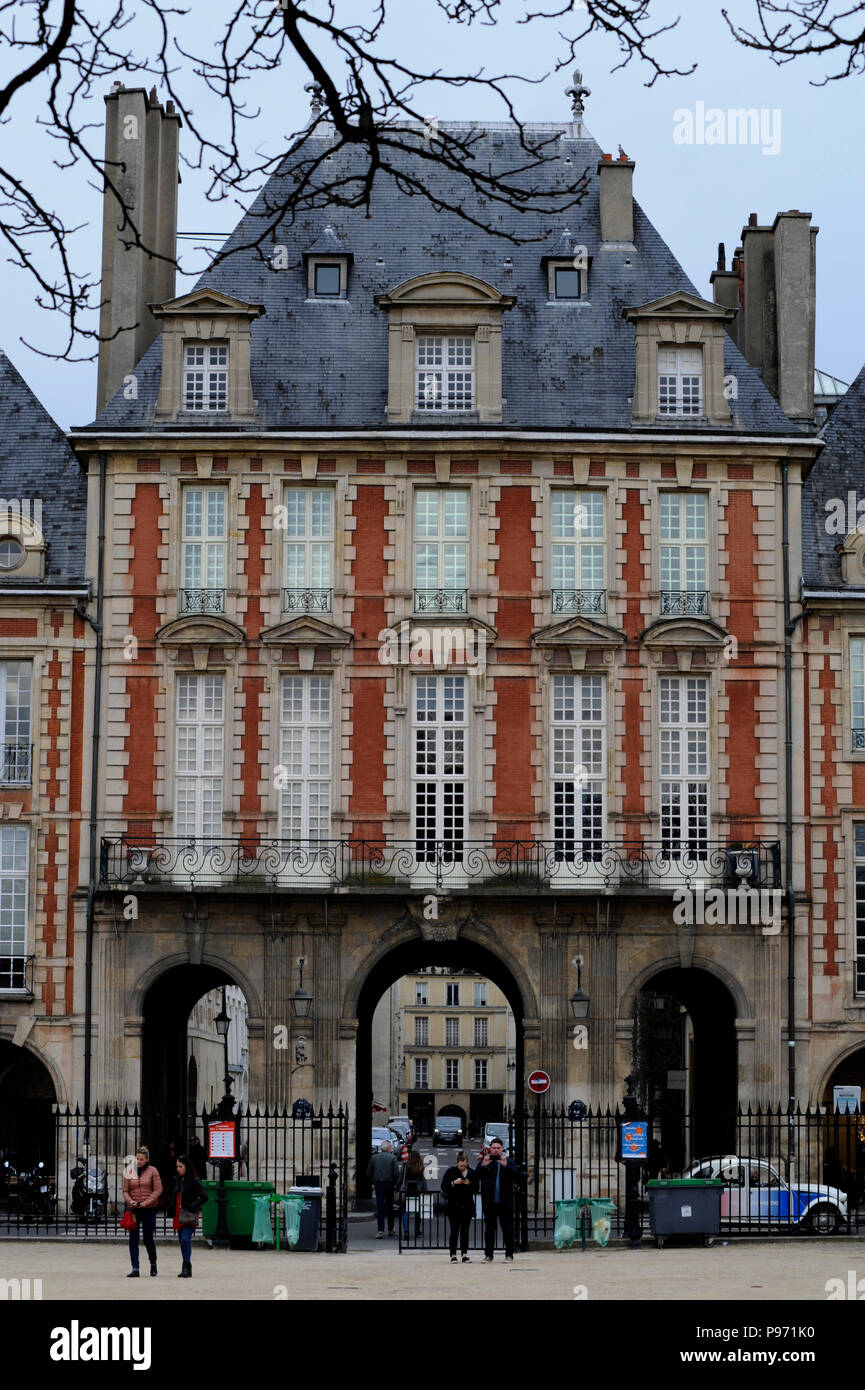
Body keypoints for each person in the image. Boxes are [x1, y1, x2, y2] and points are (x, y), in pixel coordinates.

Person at [474, 1137, 521, 1262]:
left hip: (505, 1202)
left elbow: (517, 1177)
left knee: (507, 1229)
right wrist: (483, 1165)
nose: (495, 1151)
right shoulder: (486, 1162)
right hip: (489, 1202)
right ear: (490, 1149)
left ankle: (509, 1254)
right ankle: (489, 1255)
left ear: (502, 1149)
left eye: (498, 1148)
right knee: (489, 1229)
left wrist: (506, 1166)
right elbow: (475, 1178)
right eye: (493, 1148)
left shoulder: (508, 1162)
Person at [122, 1145, 163, 1278]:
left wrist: (146, 1202)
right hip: (134, 1209)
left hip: (148, 1209)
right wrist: (130, 1201)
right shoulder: (129, 1171)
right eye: (137, 1158)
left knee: (148, 1239)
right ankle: (135, 1267)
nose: (138, 1161)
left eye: (141, 1159)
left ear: (147, 1160)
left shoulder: (153, 1171)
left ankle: (153, 1264)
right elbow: (125, 1190)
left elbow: (158, 1189)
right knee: (133, 1239)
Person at [167, 1154, 207, 1278]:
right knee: (182, 1242)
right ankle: (186, 1267)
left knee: (185, 1239)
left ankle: (186, 1266)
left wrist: (194, 1205)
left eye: (181, 1166)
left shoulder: (194, 1180)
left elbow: (204, 1197)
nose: (178, 1169)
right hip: (178, 1214)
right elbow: (170, 1194)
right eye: (177, 1166)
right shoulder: (175, 1180)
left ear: (187, 1167)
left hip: (189, 1214)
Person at [441, 1150, 477, 1263]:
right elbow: (443, 1187)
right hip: (454, 1206)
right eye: (461, 1165)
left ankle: (464, 1254)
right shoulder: (451, 1171)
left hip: (467, 1206)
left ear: (467, 1163)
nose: (462, 1167)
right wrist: (453, 1183)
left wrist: (469, 1184)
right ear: (457, 1163)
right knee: (454, 1231)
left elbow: (477, 1188)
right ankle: (453, 1255)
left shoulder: (471, 1172)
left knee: (465, 1231)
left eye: (464, 1165)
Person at [366, 1140, 400, 1239]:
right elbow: (396, 1173)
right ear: (389, 1148)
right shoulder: (393, 1158)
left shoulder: (374, 1158)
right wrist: (395, 1184)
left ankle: (380, 1230)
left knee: (380, 1208)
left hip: (378, 1185)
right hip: (389, 1186)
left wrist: (374, 1182)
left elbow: (369, 1173)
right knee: (390, 1208)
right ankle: (390, 1229)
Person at [399, 1150, 428, 1242]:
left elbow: (400, 1179)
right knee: (417, 1211)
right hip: (417, 1190)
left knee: (405, 1211)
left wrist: (397, 1187)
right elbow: (423, 1179)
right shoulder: (420, 1166)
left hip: (407, 1190)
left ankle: (406, 1231)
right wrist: (425, 1190)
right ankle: (417, 1230)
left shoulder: (406, 1166)